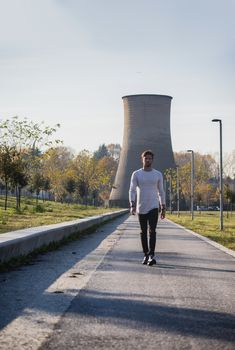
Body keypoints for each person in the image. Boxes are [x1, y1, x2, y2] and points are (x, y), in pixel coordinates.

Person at [129, 150, 166, 266]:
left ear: (152, 160)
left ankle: (151, 255)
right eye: (146, 158)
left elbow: (161, 192)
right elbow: (132, 190)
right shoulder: (136, 174)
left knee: (152, 231)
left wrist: (163, 207)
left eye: (150, 158)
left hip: (154, 207)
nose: (148, 160)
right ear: (142, 160)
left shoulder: (158, 174)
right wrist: (132, 204)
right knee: (143, 232)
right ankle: (145, 254)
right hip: (141, 207)